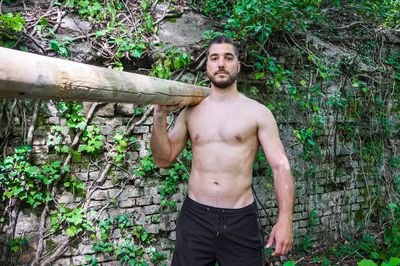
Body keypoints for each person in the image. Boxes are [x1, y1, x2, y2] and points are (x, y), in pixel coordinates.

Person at [151, 36, 295, 266]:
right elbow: (163, 159)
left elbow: (280, 167)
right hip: (195, 218)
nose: (221, 63)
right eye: (214, 58)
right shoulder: (190, 112)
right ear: (207, 65)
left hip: (240, 220)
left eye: (228, 58)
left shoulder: (257, 113)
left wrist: (285, 219)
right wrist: (159, 117)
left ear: (238, 65)